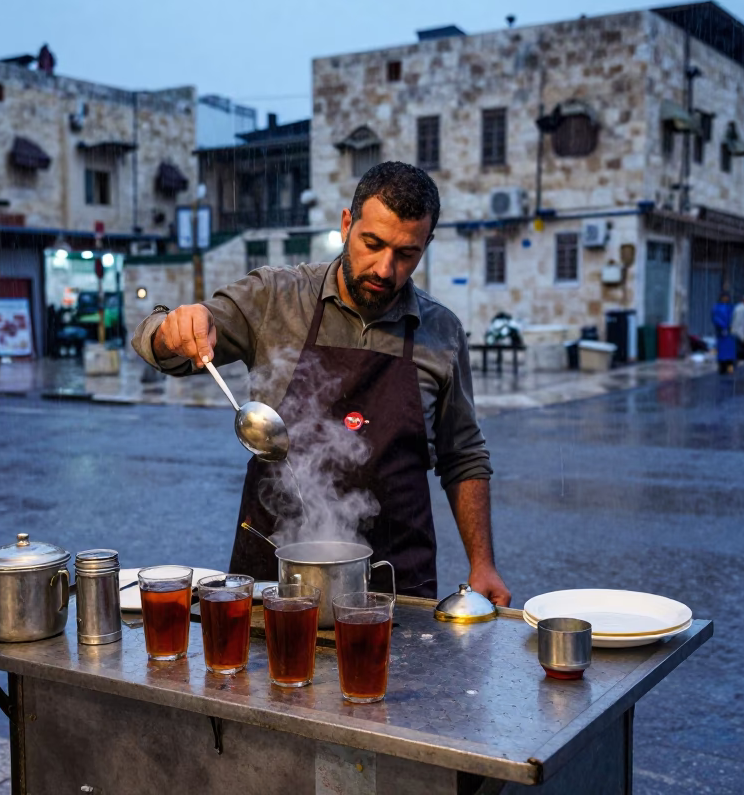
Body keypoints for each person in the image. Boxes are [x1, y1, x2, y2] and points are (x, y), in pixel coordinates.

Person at [131, 161, 511, 606]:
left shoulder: (441, 332)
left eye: (406, 254)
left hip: (395, 584)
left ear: (426, 246)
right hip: (275, 580)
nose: (385, 269)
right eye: (373, 243)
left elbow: (462, 454)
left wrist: (482, 563)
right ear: (347, 224)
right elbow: (157, 344)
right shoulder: (276, 297)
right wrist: (172, 327)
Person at [712, 292, 736, 374]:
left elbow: (734, 318)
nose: (726, 299)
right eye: (724, 297)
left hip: (729, 333)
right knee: (722, 352)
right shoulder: (717, 307)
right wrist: (721, 327)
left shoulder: (730, 307)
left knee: (730, 352)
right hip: (722, 333)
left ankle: (729, 366)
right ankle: (722, 367)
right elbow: (715, 318)